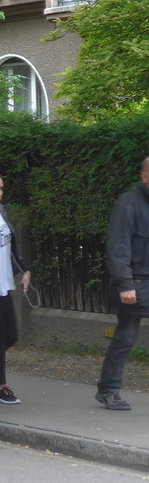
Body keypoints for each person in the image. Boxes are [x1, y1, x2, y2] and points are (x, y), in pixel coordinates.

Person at [96, 157, 149, 411]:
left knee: (125, 336)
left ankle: (109, 388)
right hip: (136, 283)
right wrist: (125, 284)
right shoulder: (128, 204)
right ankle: (109, 390)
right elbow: (118, 248)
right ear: (144, 176)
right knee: (126, 336)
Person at [0, 174, 31, 405]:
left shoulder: (1, 211)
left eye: (1, 188)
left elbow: (12, 245)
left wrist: (25, 270)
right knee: (1, 333)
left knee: (12, 335)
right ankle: (1, 387)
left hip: (4, 284)